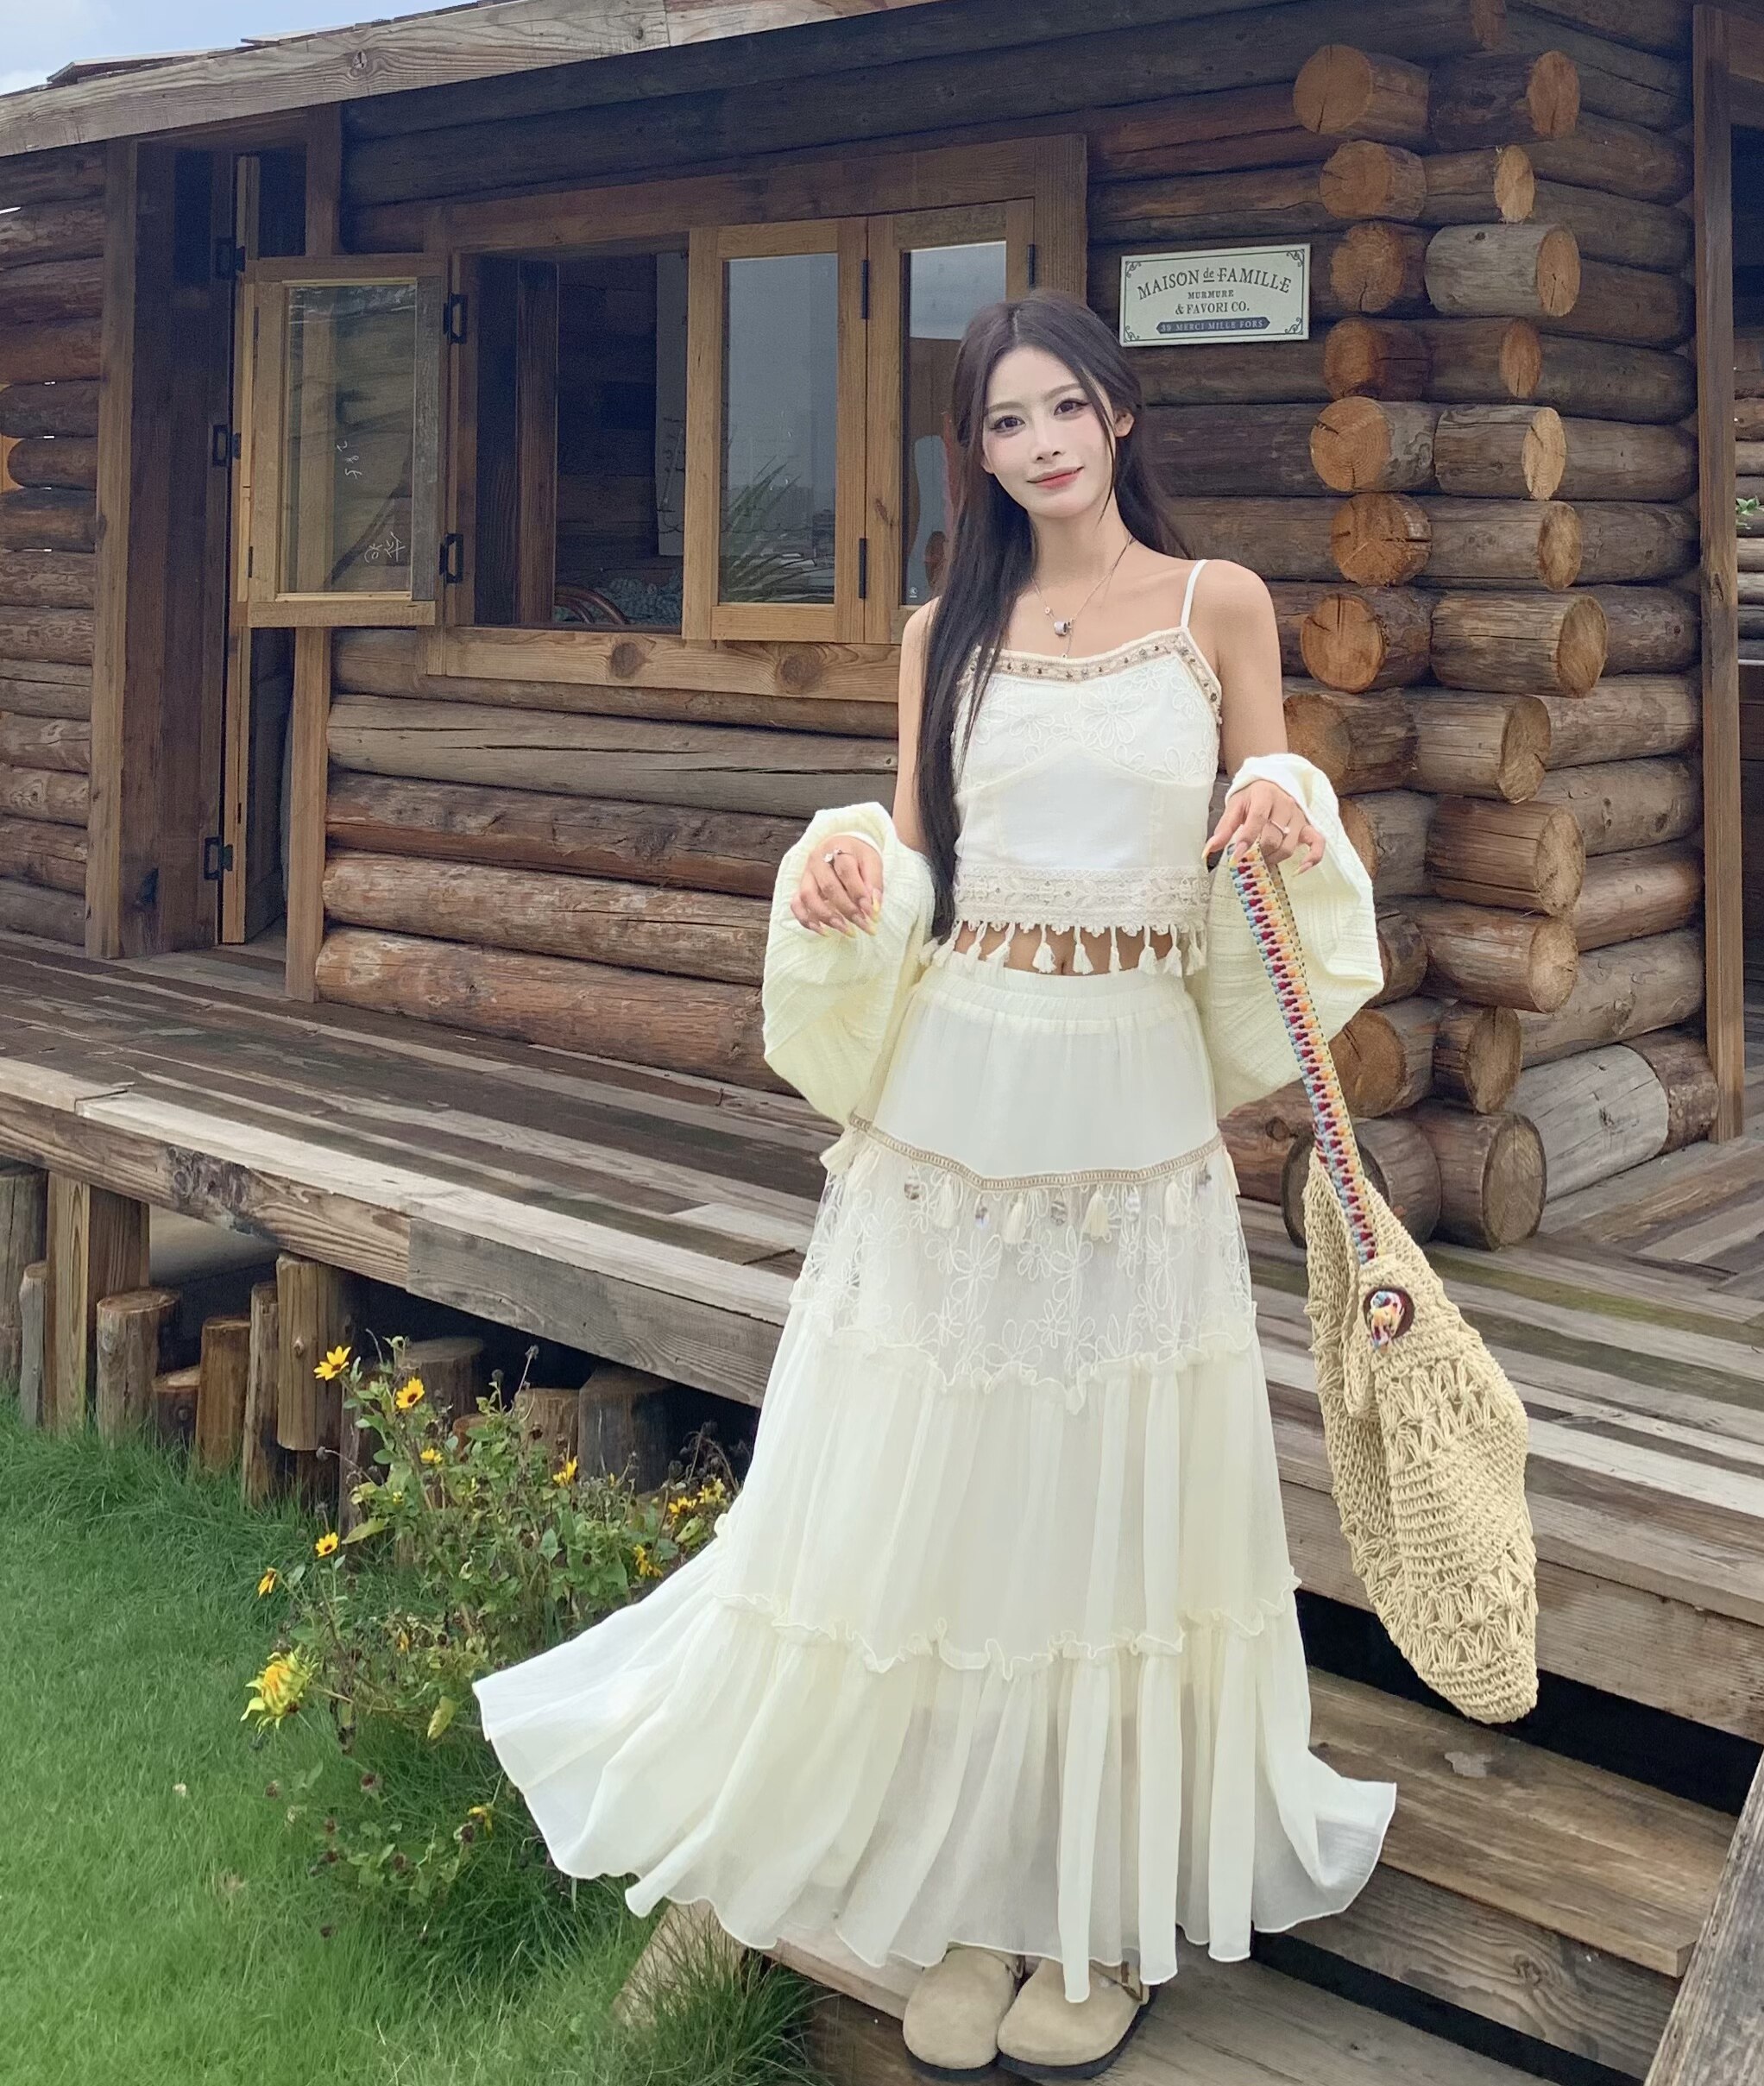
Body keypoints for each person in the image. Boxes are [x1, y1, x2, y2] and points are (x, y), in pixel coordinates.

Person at [473, 291, 1396, 2083]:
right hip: (961, 1084)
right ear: (972, 453)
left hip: (1129, 1090)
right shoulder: (943, 629)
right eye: (1002, 422)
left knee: (1110, 1484)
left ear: (1120, 413)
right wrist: (846, 883)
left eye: (1064, 408)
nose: (1040, 445)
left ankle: (1099, 1907)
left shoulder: (1214, 604)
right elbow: (920, 853)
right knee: (971, 1484)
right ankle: (978, 1888)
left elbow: (1268, 785)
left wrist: (1287, 806)